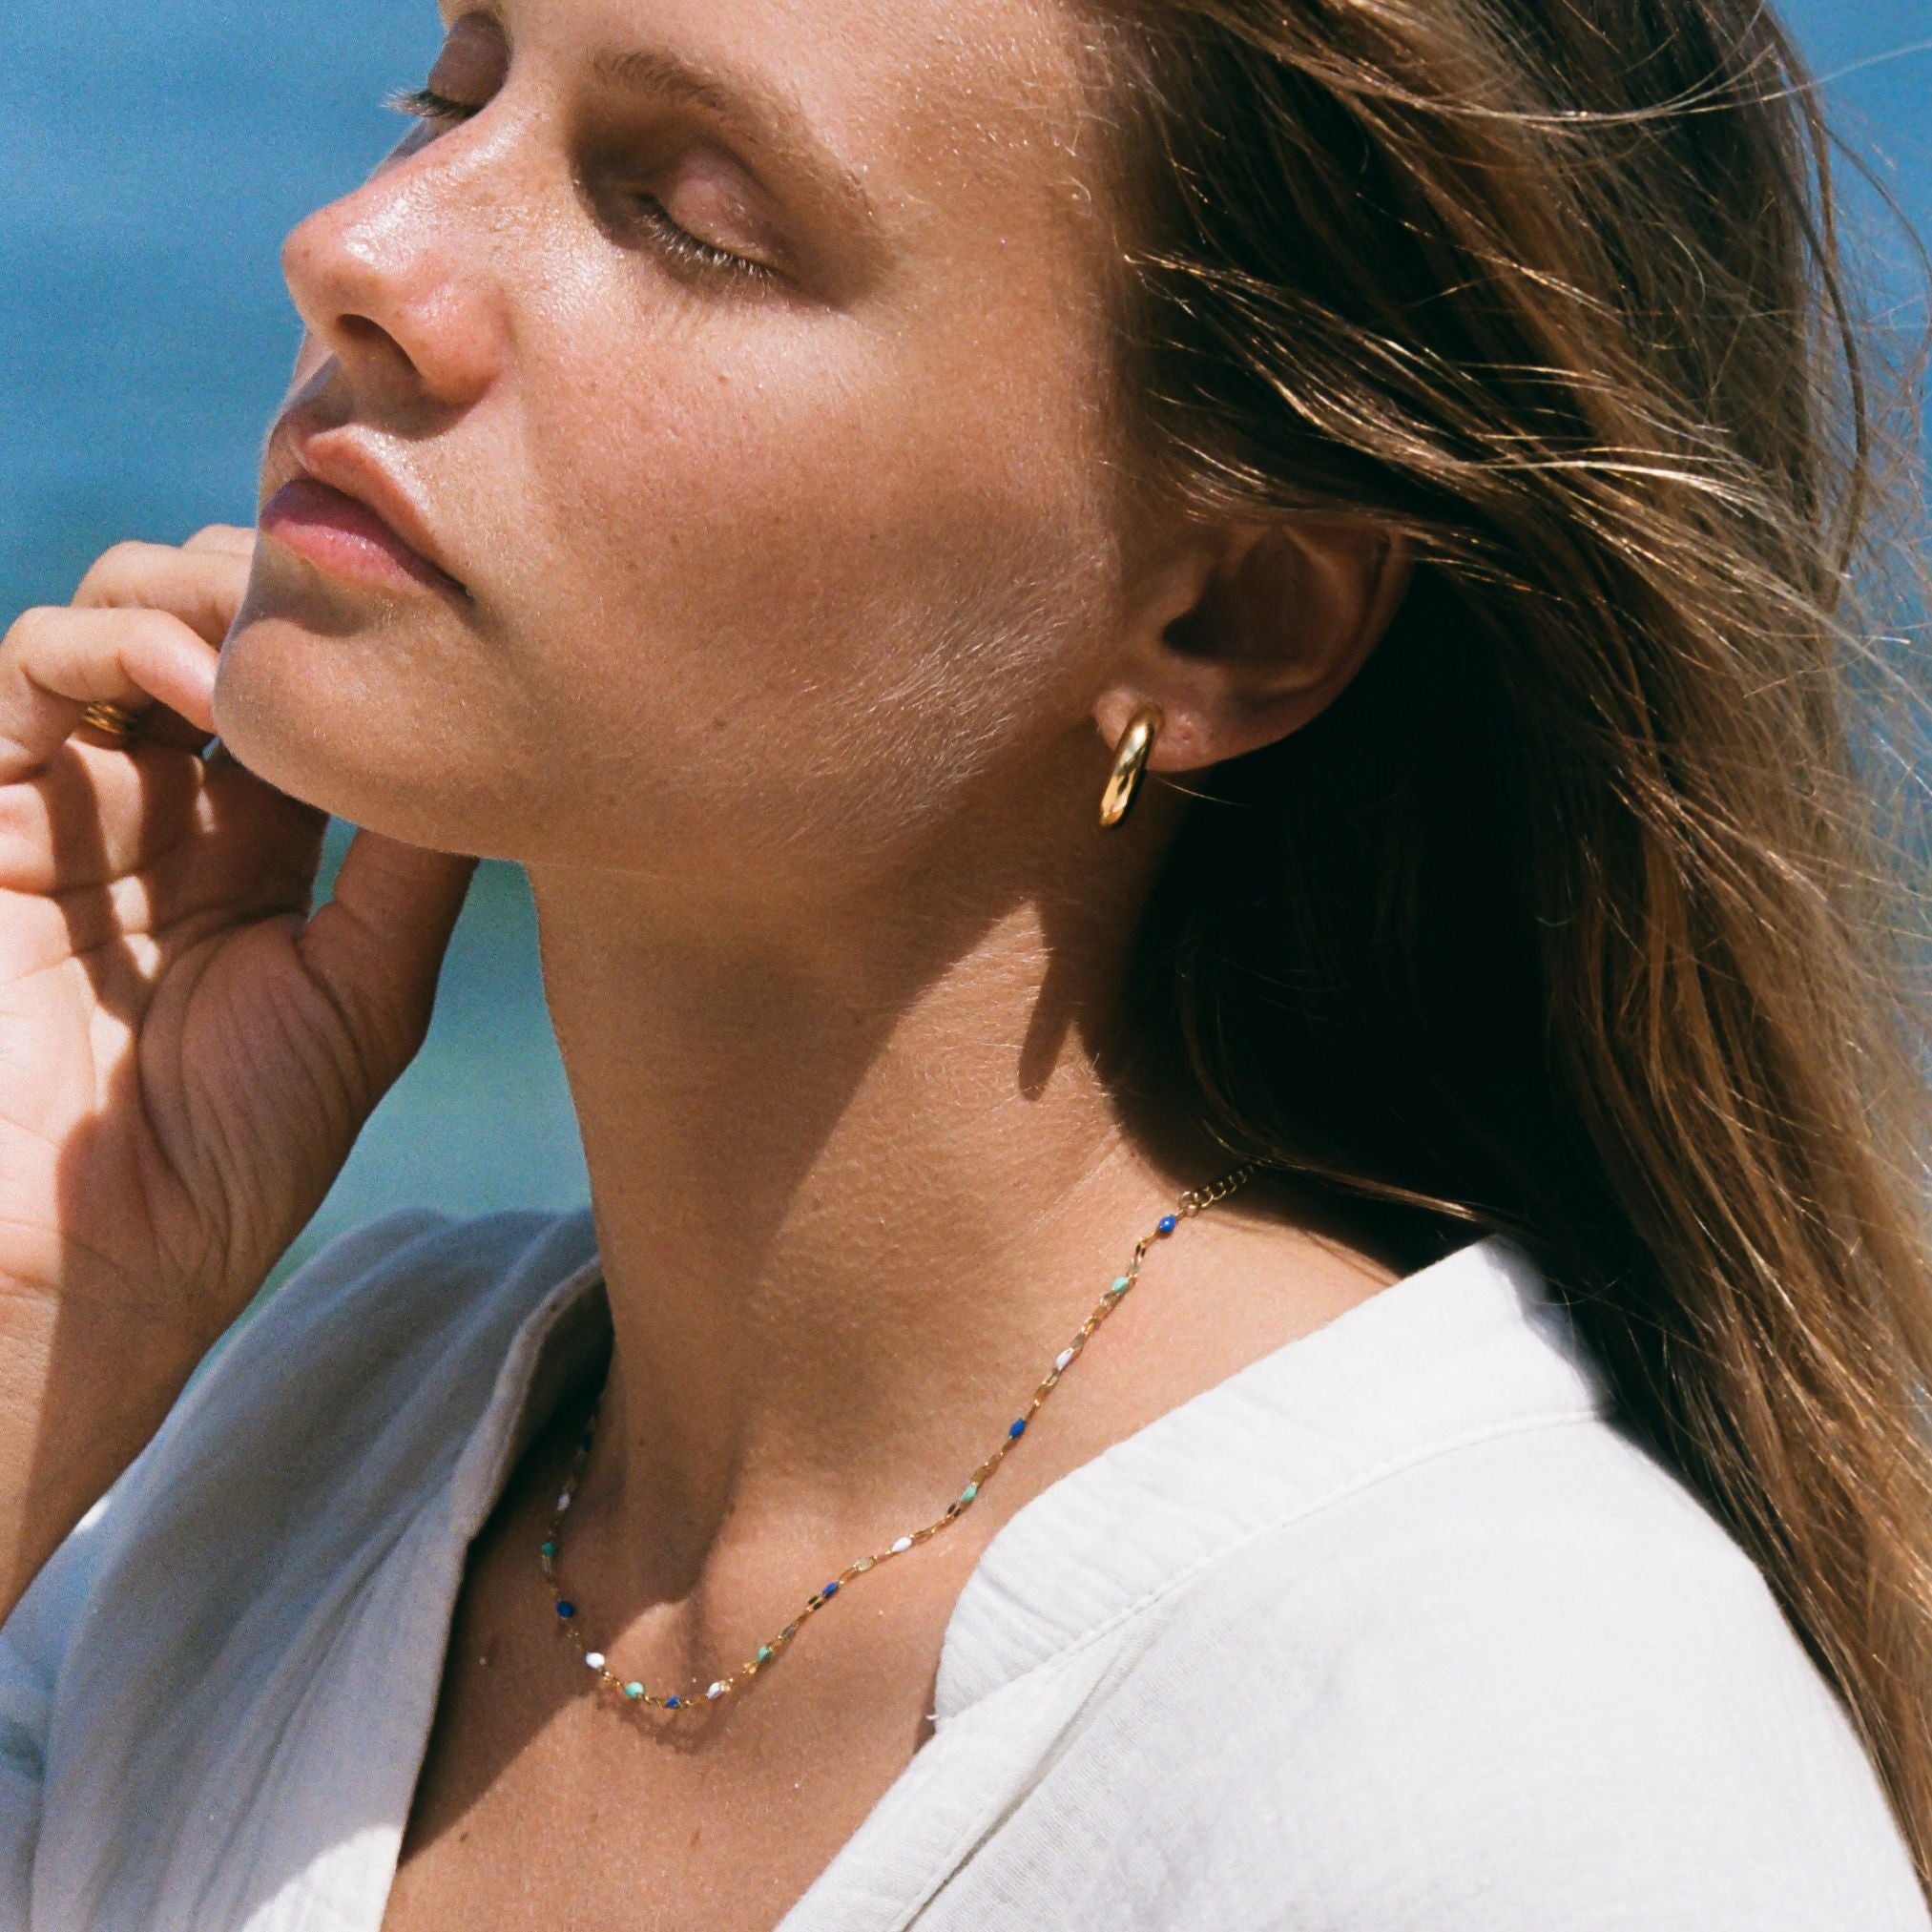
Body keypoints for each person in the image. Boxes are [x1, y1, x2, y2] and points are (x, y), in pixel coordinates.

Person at [0, 0, 1927, 1924]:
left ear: (1226, 615)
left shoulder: (1517, 1775)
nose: (359, 246)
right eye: (459, 89)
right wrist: (30, 1298)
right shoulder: (295, 1471)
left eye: (687, 213)